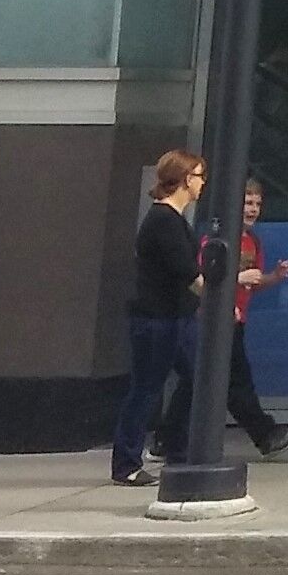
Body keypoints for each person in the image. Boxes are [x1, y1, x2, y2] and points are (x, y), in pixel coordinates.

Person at [165, 179, 288, 459]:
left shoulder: (253, 242)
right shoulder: (219, 240)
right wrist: (228, 296)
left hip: (235, 319)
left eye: (258, 204)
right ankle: (265, 433)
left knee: (199, 381)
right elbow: (203, 279)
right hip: (214, 320)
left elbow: (253, 282)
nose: (254, 209)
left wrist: (273, 277)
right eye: (248, 203)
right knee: (233, 381)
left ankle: (168, 439)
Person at [112, 150, 204, 487]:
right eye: (198, 175)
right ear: (183, 179)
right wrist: (219, 301)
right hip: (157, 318)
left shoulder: (175, 219)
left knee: (198, 377)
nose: (202, 182)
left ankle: (173, 444)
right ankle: (126, 462)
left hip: (178, 316)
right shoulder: (163, 221)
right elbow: (188, 272)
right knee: (146, 388)